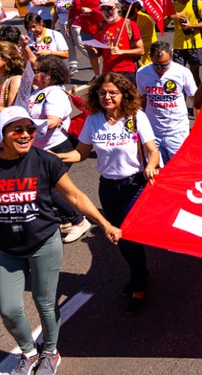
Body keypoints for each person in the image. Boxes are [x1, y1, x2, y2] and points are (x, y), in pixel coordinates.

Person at [0, 107, 121, 375]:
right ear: (2, 134)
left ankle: (51, 352)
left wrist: (106, 224)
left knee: (45, 302)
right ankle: (29, 353)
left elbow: (75, 197)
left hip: (44, 243)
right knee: (9, 309)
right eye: (18, 130)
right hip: (7, 248)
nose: (26, 135)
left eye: (30, 129)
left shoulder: (44, 160)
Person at [55, 73, 159, 315]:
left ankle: (139, 284)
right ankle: (140, 272)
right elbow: (80, 153)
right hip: (108, 187)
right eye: (102, 93)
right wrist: (53, 157)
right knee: (116, 235)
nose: (107, 97)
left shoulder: (136, 117)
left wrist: (151, 165)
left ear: (124, 94)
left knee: (127, 234)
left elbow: (151, 150)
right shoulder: (93, 120)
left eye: (113, 92)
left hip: (134, 184)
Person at [27, 56, 92, 243]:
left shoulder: (54, 94)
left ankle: (78, 220)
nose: (33, 74)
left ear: (48, 75)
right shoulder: (38, 91)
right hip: (41, 147)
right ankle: (66, 219)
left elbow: (53, 121)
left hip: (56, 146)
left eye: (36, 71)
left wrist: (26, 128)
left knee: (48, 187)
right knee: (48, 185)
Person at [136, 42, 197, 164]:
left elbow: (194, 99)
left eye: (165, 65)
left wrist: (198, 125)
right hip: (152, 131)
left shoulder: (183, 72)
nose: (161, 69)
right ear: (151, 57)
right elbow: (141, 99)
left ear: (171, 55)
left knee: (180, 168)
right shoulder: (142, 73)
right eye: (157, 65)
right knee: (155, 171)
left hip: (177, 131)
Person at [90, 0, 144, 85]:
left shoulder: (130, 25)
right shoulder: (101, 26)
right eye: (103, 9)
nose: (106, 12)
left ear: (118, 7)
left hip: (126, 71)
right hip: (108, 71)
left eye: (109, 8)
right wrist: (92, 50)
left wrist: (122, 51)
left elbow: (141, 50)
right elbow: (99, 52)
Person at [167, 0, 202, 86]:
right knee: (178, 76)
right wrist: (172, 16)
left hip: (195, 45)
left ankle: (198, 102)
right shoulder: (171, 7)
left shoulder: (198, 4)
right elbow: (161, 24)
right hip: (179, 46)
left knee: (194, 76)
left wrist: (191, 26)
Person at [67, 0, 104, 76]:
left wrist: (91, 10)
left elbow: (107, 6)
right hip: (85, 28)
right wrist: (69, 26)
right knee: (91, 54)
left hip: (99, 27)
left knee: (105, 53)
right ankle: (97, 76)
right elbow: (73, 10)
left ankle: (107, 74)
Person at [54, 0, 77, 74]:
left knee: (80, 44)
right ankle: (73, 65)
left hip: (74, 23)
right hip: (63, 23)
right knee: (69, 45)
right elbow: (56, 11)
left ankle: (93, 58)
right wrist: (53, 23)